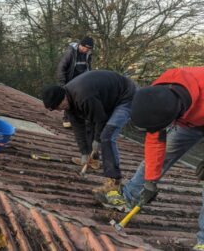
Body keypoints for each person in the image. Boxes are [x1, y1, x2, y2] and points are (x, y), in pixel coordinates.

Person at [93, 67, 204, 251]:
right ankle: (129, 197)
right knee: (165, 152)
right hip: (189, 121)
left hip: (194, 112)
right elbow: (155, 140)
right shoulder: (157, 96)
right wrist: (150, 182)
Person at [42, 70, 136, 193]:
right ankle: (93, 160)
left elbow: (100, 120)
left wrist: (97, 140)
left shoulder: (84, 96)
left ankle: (114, 180)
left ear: (64, 98)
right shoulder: (69, 99)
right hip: (107, 98)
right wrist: (84, 152)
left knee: (106, 137)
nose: (60, 110)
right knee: (91, 126)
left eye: (59, 106)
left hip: (126, 96)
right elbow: (78, 127)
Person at [57, 36, 94, 128]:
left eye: (88, 48)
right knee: (69, 98)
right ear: (80, 45)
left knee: (82, 99)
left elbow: (89, 67)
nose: (85, 50)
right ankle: (66, 118)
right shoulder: (70, 52)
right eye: (84, 47)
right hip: (70, 80)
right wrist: (62, 83)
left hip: (82, 80)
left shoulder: (88, 54)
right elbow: (61, 68)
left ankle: (80, 119)